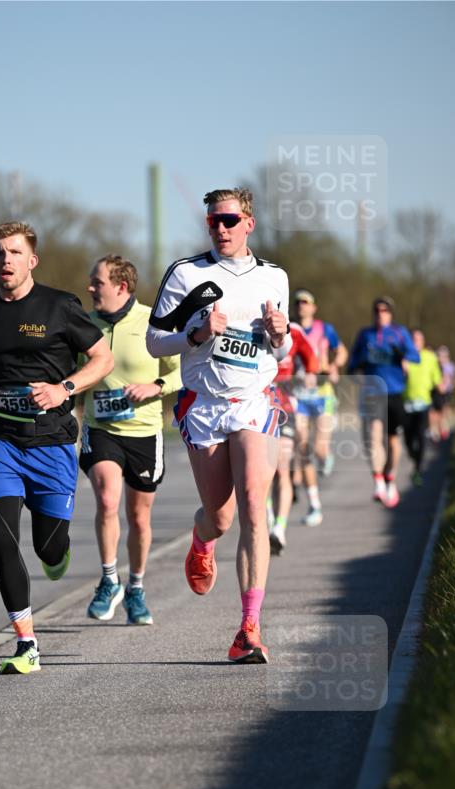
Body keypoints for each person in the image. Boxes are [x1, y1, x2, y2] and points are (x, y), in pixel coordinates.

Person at [0, 221, 113, 674]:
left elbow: (104, 359)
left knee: (49, 547)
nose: (6, 261)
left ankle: (57, 552)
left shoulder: (61, 307)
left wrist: (65, 388)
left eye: (15, 253)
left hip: (53, 442)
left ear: (31, 260)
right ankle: (26, 643)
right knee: (2, 536)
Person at [147, 187, 292, 664]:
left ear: (249, 223)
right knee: (222, 515)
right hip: (205, 404)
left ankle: (249, 628)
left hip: (253, 401)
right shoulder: (187, 274)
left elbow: (281, 349)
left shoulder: (275, 278)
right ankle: (202, 537)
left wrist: (278, 335)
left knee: (254, 504)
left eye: (229, 220)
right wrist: (198, 333)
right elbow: (154, 341)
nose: (221, 229)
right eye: (213, 222)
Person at [81, 255, 181, 625]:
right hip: (101, 428)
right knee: (107, 498)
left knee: (139, 518)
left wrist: (153, 386)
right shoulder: (84, 323)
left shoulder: (152, 322)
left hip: (144, 432)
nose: (91, 288)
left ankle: (135, 588)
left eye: (98, 282)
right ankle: (109, 580)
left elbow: (179, 372)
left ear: (121, 287)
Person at [347, 295, 419, 508]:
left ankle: (390, 479)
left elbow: (416, 356)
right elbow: (352, 365)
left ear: (391, 313)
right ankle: (378, 482)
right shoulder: (364, 334)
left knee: (393, 443)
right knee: (373, 436)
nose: (381, 313)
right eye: (377, 310)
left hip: (395, 392)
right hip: (372, 392)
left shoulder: (399, 333)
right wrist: (356, 372)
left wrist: (404, 358)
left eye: (385, 310)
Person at [292, 291, 347, 528]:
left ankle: (326, 457)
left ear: (314, 308)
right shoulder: (289, 329)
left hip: (323, 394)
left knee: (320, 447)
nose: (301, 306)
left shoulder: (326, 329)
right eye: (298, 303)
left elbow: (342, 351)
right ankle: (314, 505)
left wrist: (334, 366)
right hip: (299, 396)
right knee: (302, 449)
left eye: (305, 302)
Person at [269, 322, 319, 553]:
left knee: (281, 468)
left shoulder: (294, 330)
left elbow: (311, 357)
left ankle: (279, 528)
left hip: (286, 404)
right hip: (257, 405)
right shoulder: (250, 321)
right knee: (263, 474)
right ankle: (268, 520)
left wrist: (310, 374)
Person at [402, 330, 443, 485]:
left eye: (419, 339)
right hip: (406, 402)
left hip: (423, 403)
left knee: (420, 436)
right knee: (408, 439)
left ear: (423, 341)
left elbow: (436, 378)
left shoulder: (430, 357)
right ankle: (414, 456)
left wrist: (441, 388)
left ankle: (418, 469)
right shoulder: (404, 357)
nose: (416, 342)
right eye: (413, 339)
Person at [430, 345, 455, 441]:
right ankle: (436, 431)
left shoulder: (451, 366)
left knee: (443, 411)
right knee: (434, 411)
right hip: (437, 391)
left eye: (443, 355)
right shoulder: (436, 365)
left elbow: (453, 379)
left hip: (446, 392)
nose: (441, 357)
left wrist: (449, 386)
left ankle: (443, 429)